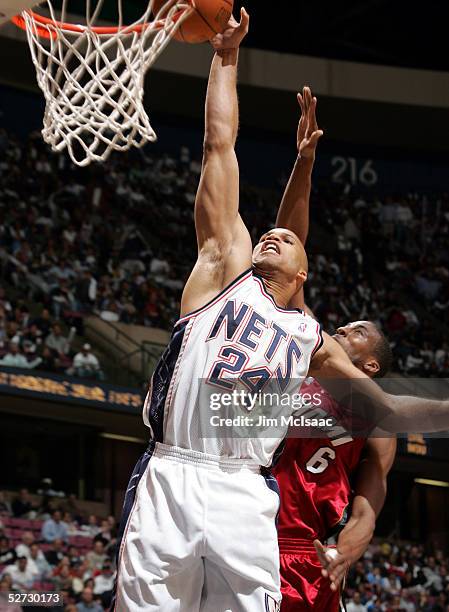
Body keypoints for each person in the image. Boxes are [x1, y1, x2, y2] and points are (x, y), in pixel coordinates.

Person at [113, 12, 449, 612]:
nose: (271, 235)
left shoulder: (311, 338)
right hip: (172, 473)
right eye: (263, 232)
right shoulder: (220, 272)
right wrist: (225, 57)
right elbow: (220, 145)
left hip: (246, 493)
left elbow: (391, 411)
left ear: (305, 271)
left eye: (285, 238)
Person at [273, 87, 396, 611]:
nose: (338, 332)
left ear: (368, 365)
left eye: (353, 333)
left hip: (307, 551)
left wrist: (349, 549)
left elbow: (369, 504)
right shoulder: (306, 344)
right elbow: (290, 247)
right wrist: (304, 163)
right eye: (339, 328)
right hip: (244, 524)